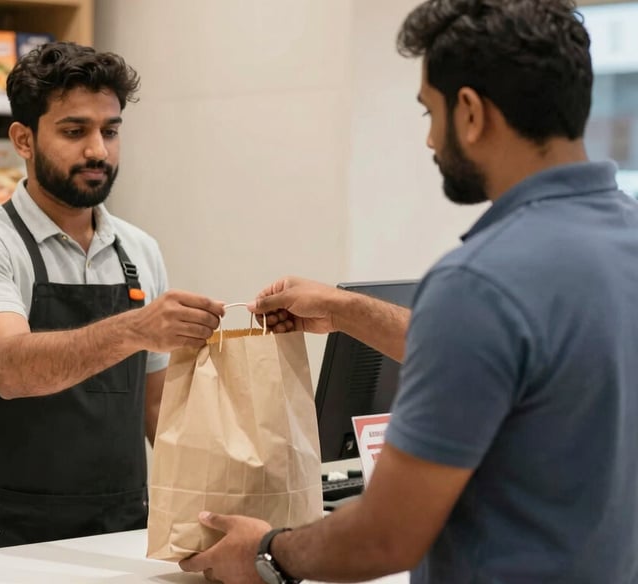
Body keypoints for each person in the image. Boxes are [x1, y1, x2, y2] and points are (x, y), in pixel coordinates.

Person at [179, 1, 638, 582]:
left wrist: (267, 552)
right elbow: (521, 361)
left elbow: (384, 538)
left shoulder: (479, 284)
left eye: (430, 111)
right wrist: (345, 311)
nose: (428, 139)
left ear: (469, 111)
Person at [0, 41, 225, 553]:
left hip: (125, 531)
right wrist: (136, 327)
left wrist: (218, 502)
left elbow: (157, 408)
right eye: (75, 131)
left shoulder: (139, 250)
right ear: (23, 139)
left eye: (110, 131)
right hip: (5, 540)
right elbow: (12, 369)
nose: (98, 151)